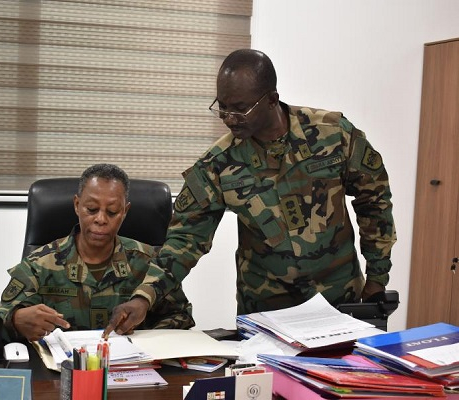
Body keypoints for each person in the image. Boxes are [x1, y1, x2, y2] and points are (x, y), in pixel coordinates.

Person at [104, 49, 396, 336]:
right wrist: (145, 297)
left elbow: (375, 200)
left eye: (240, 108)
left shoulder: (333, 134)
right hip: (265, 312)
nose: (229, 118)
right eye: (223, 106)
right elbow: (185, 240)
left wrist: (377, 279)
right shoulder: (217, 164)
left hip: (338, 299)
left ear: (271, 99)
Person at [0, 163, 194, 343]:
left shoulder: (151, 263)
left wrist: (144, 340)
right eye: (91, 209)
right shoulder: (39, 264)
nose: (100, 219)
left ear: (125, 211)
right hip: (60, 374)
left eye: (112, 212)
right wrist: (16, 320)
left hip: (134, 372)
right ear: (77, 205)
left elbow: (181, 317)